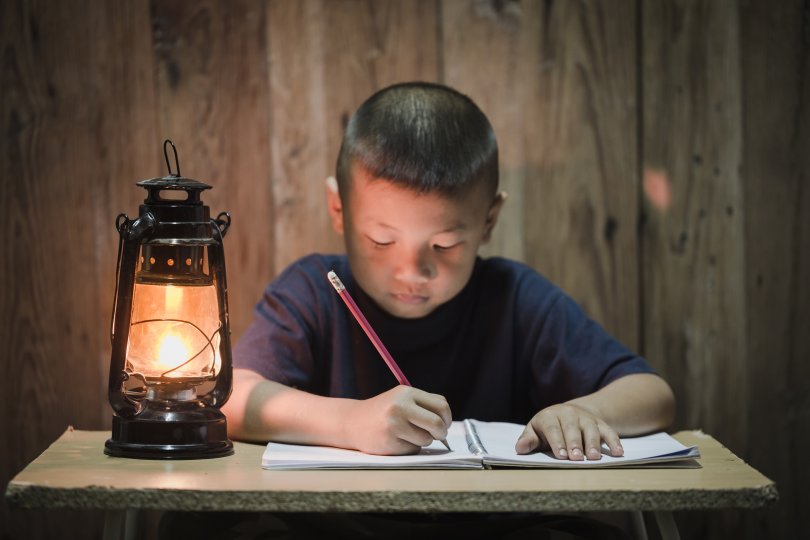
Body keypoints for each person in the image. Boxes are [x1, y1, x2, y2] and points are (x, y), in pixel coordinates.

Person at [208, 81, 674, 539]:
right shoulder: (312, 290)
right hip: (334, 522)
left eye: (445, 244)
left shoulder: (515, 297)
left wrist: (580, 412)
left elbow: (652, 393)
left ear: (488, 220)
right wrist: (351, 423)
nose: (412, 270)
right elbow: (230, 397)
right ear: (339, 208)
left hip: (494, 527)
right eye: (381, 241)